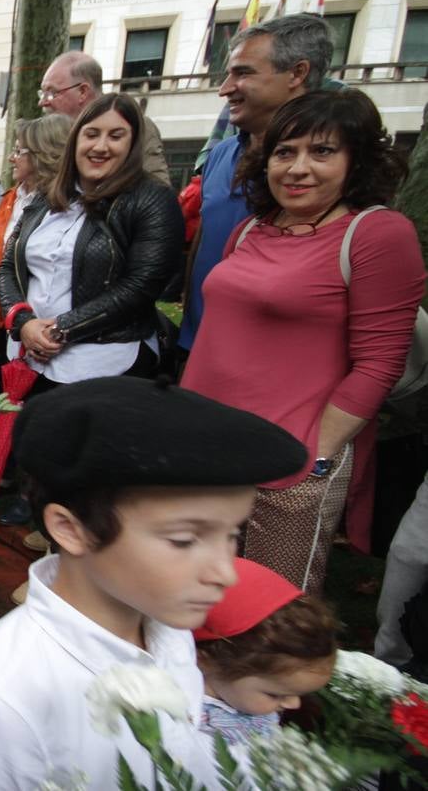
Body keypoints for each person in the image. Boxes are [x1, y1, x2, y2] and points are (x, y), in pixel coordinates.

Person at [0, 376, 309, 789]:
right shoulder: (8, 695)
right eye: (184, 540)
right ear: (70, 529)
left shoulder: (164, 622)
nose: (226, 572)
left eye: (232, 535)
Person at [180, 89, 424, 591]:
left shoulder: (377, 233)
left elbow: (380, 362)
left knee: (270, 610)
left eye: (322, 151)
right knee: (191, 594)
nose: (297, 168)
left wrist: (316, 458)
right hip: (205, 450)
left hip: (289, 463)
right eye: (284, 152)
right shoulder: (253, 228)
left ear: (357, 159)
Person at [0, 93, 184, 393]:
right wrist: (22, 322)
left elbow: (141, 286)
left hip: (103, 367)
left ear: (133, 144)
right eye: (92, 134)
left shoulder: (151, 199)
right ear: (76, 140)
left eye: (116, 136)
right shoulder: (48, 194)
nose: (100, 146)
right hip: (28, 358)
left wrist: (62, 330)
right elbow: (9, 264)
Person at [179, 14, 332, 356]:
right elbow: (206, 236)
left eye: (243, 73)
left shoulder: (332, 171)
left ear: (297, 74)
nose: (224, 88)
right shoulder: (220, 154)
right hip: (198, 347)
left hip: (273, 361)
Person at [193, 559, 338, 743]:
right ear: (206, 661)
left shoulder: (244, 699)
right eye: (275, 695)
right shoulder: (190, 719)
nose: (294, 704)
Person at [0, 114, 73, 344]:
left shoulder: (59, 207)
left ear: (42, 155)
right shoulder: (10, 198)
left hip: (28, 325)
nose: (11, 158)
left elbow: (30, 274)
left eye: (18, 152)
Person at [38, 50, 171, 187]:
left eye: (52, 93)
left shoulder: (136, 125)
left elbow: (158, 190)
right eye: (42, 93)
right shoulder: (48, 134)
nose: (42, 102)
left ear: (83, 91)